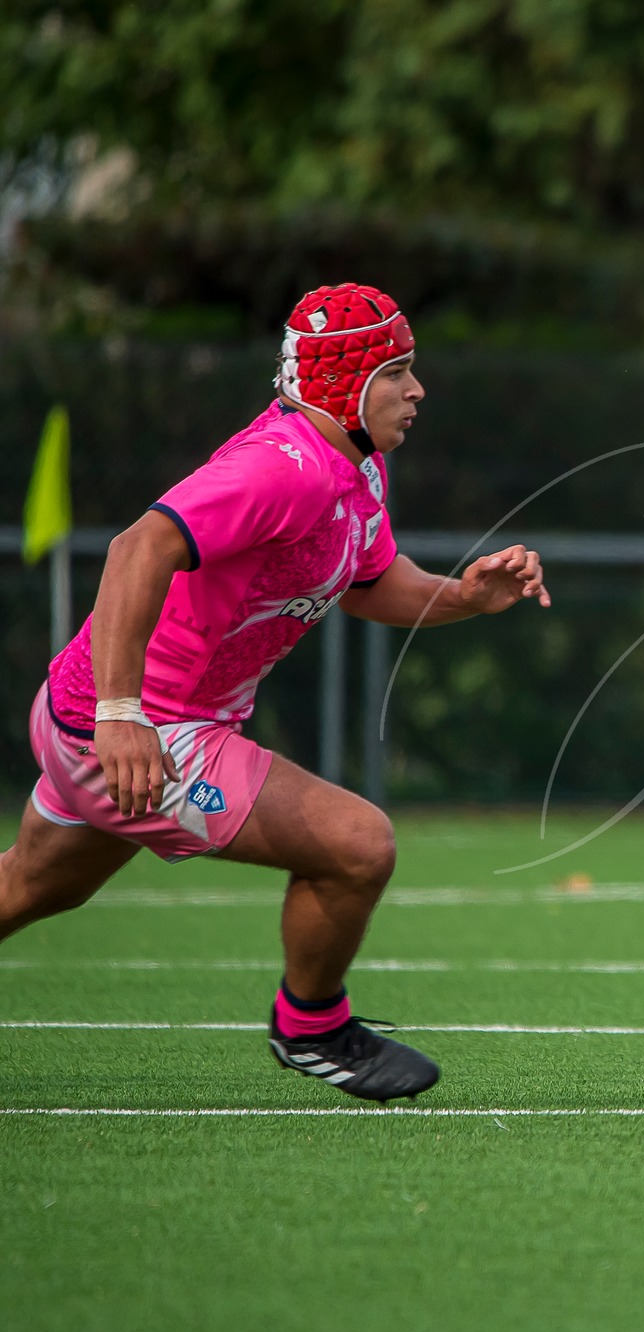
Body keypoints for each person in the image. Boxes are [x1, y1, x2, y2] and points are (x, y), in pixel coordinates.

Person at [0, 283, 553, 1102]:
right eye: (397, 372)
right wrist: (121, 716)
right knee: (358, 845)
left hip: (103, 714)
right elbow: (137, 547)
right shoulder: (281, 468)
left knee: (30, 887)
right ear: (345, 383)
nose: (417, 390)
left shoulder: (356, 467)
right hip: (137, 727)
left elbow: (370, 582)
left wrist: (466, 596)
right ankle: (313, 1027)